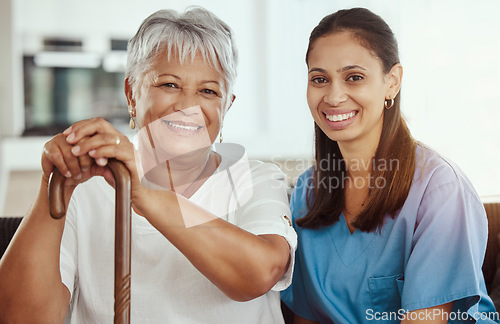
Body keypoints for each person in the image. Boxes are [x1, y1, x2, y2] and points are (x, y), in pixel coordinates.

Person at [0, 7, 297, 323]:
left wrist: (144, 195)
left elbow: (259, 275)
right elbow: (20, 317)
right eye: (168, 85)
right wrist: (54, 185)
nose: (186, 107)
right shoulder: (86, 191)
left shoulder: (257, 180)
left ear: (227, 106)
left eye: (208, 91)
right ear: (131, 94)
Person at [280, 7, 497, 324]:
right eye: (319, 79)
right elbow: (307, 318)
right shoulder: (306, 193)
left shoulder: (439, 189)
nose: (334, 95)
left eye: (354, 77)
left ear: (392, 82)